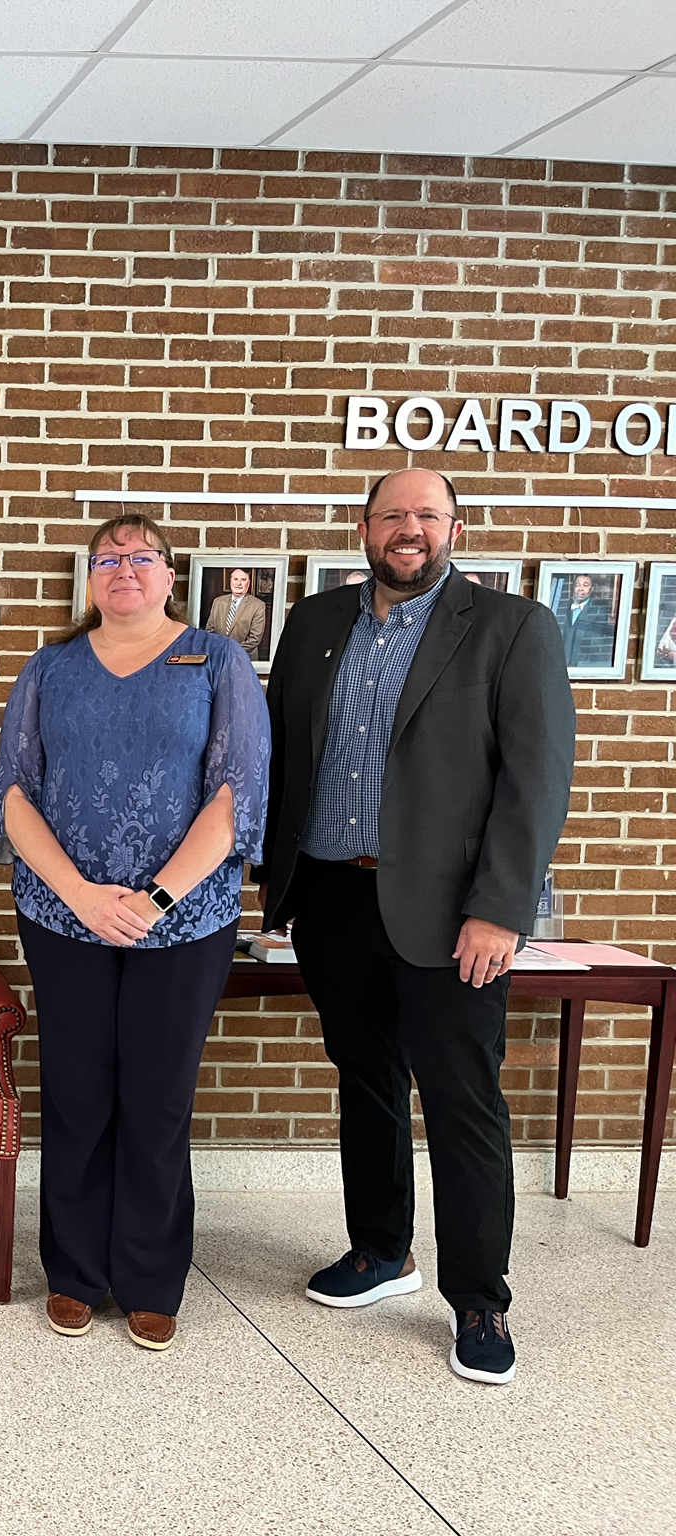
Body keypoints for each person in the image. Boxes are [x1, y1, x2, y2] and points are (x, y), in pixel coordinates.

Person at [261, 466, 575, 1387]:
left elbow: (536, 780)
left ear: (455, 529)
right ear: (363, 528)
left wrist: (500, 910)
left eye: (427, 515)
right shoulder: (315, 622)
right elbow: (283, 755)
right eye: (392, 514)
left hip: (452, 916)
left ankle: (479, 1298)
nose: (409, 529)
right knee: (365, 1077)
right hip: (331, 899)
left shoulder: (512, 627)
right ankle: (380, 1250)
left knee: (461, 1099)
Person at [0, 514, 268, 1353]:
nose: (124, 570)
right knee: (76, 1095)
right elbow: (15, 794)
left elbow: (235, 794)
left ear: (171, 577)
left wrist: (153, 899)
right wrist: (80, 896)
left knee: (156, 1097)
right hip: (63, 917)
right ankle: (75, 1273)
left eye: (142, 557)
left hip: (184, 922)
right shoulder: (51, 668)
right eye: (108, 558)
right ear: (90, 578)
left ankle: (149, 1280)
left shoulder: (217, 662)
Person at [552, 572, 615, 669]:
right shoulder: (562, 609)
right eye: (577, 585)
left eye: (585, 585)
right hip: (560, 665)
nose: (580, 589)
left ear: (592, 589)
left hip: (585, 665)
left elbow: (597, 644)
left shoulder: (598, 612)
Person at [204, 566, 268, 654]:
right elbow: (209, 632)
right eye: (236, 579)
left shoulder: (258, 605)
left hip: (243, 656)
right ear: (230, 581)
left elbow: (254, 639)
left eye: (243, 580)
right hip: (218, 655)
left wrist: (231, 651)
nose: (238, 583)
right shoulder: (218, 602)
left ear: (248, 584)